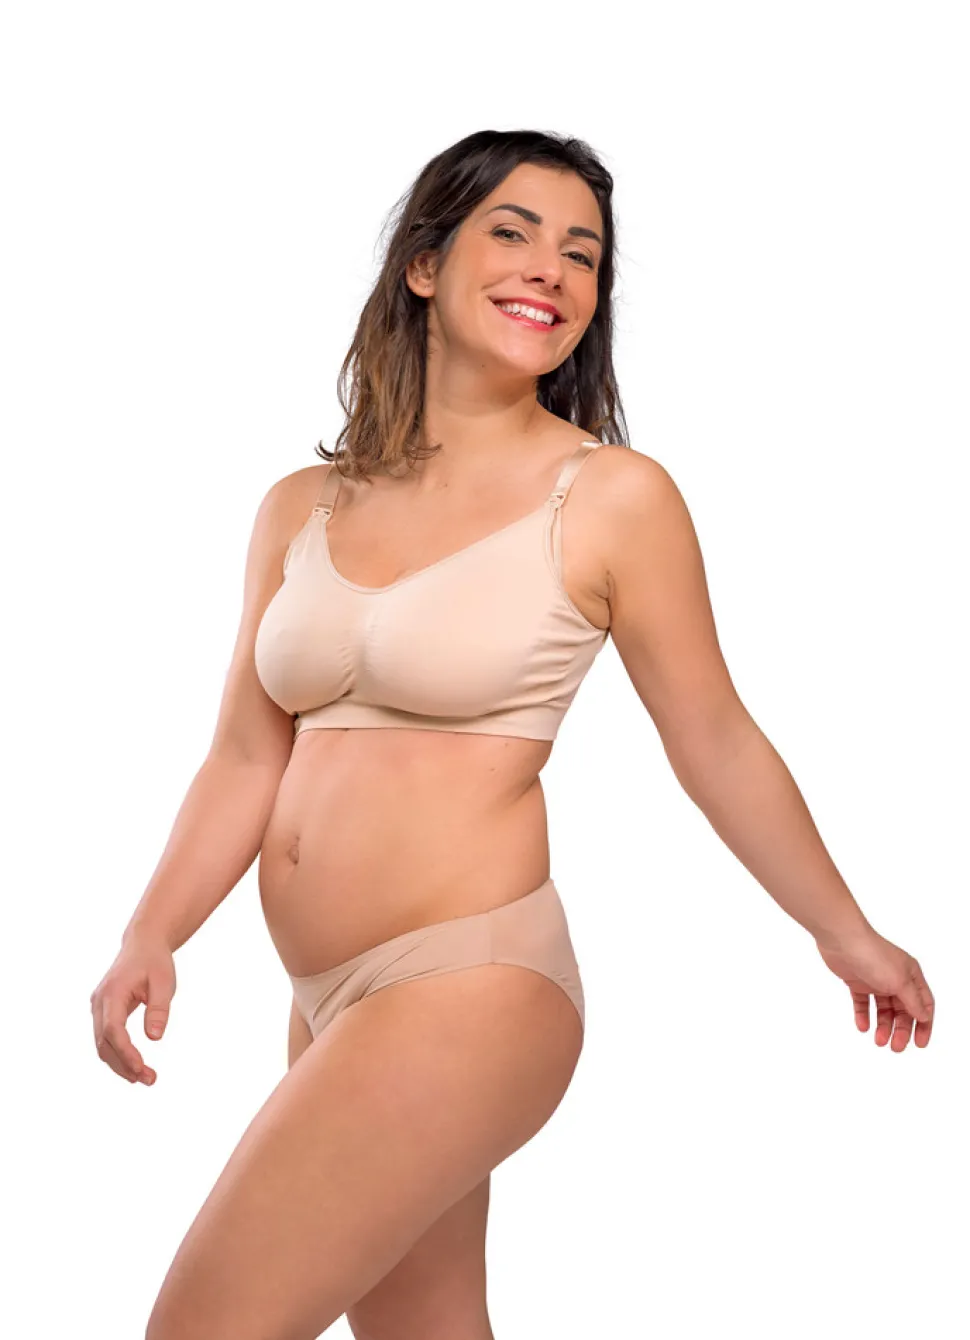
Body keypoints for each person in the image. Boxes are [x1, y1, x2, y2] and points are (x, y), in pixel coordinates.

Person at [89, 129, 935, 1340]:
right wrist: (152, 931)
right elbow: (244, 754)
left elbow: (714, 738)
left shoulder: (610, 497)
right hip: (327, 995)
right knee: (424, 1328)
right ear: (424, 263)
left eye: (583, 254)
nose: (553, 268)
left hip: (470, 979)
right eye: (515, 232)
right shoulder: (299, 507)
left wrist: (843, 932)